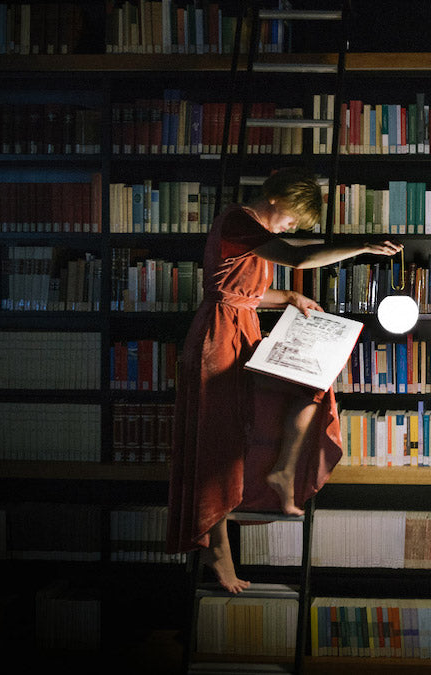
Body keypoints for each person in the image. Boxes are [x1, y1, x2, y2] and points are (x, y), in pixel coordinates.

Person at [167, 168, 401, 593]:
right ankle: (218, 551)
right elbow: (297, 258)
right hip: (218, 338)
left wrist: (290, 297)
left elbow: (242, 291)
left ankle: (282, 471)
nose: (292, 227)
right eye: (293, 218)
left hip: (243, 329)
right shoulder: (239, 220)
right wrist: (362, 246)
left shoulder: (252, 232)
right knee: (218, 444)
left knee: (312, 390)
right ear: (276, 200)